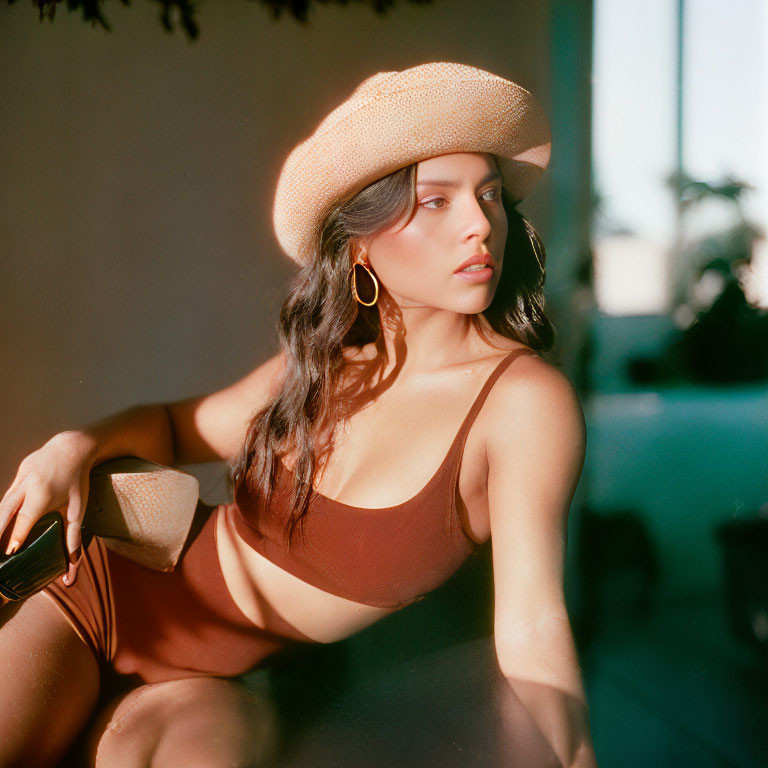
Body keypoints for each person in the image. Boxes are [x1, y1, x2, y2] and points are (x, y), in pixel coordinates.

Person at [0, 61, 597, 767]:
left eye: (490, 196)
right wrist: (74, 445)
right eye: (436, 201)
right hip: (100, 592)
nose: (480, 225)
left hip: (214, 682)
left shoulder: (523, 404)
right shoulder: (324, 364)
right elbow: (169, 428)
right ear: (360, 247)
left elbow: (532, 629)